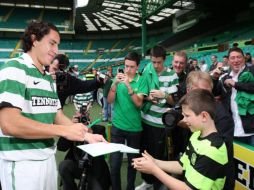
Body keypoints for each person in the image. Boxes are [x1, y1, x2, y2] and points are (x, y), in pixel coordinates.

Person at [0, 20, 105, 190]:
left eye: (58, 45)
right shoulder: (14, 69)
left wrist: (86, 136)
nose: (56, 51)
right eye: (52, 43)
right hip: (21, 164)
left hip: (48, 159)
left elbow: (57, 115)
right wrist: (64, 131)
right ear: (34, 40)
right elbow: (9, 124)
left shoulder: (48, 78)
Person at [133, 89, 229, 190]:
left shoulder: (213, 149)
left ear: (204, 116)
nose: (184, 120)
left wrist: (154, 170)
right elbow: (183, 165)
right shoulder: (196, 135)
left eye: (187, 116)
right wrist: (155, 162)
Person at [136, 46, 178, 190]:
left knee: (159, 157)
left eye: (159, 62)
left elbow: (174, 101)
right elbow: (141, 93)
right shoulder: (147, 72)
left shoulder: (172, 75)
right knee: (144, 152)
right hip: (145, 120)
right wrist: (148, 98)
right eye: (153, 62)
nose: (156, 65)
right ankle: (147, 182)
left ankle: (158, 184)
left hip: (160, 125)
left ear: (165, 60)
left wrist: (164, 95)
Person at [107, 52, 148, 190]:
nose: (128, 70)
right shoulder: (117, 79)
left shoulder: (142, 80)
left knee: (132, 164)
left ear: (137, 67)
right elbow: (109, 100)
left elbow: (138, 104)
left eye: (131, 67)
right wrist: (115, 85)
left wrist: (129, 87)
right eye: (126, 66)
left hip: (134, 129)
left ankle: (130, 188)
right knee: (115, 164)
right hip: (117, 127)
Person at [213, 47, 254, 146]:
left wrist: (235, 84)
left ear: (244, 58)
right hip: (233, 130)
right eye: (233, 58)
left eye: (238, 57)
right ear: (229, 61)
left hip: (252, 130)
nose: (236, 60)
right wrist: (214, 78)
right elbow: (215, 94)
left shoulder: (252, 71)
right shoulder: (225, 77)